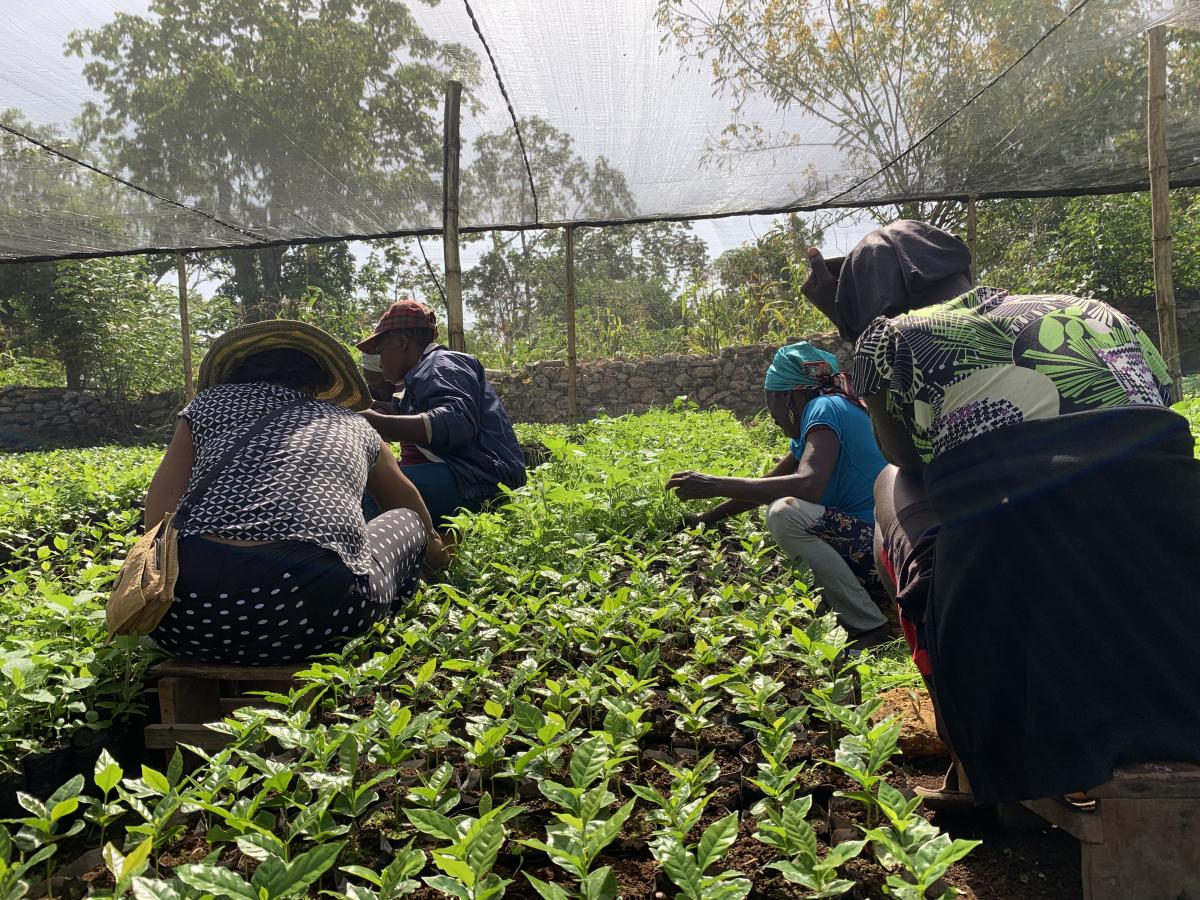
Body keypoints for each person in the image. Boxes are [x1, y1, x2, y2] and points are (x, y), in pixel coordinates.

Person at [801, 219, 1200, 804]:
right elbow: (1159, 411)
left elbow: (906, 452)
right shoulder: (1101, 312)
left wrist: (858, 332)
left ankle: (963, 738)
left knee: (894, 483)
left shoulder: (891, 338)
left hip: (1016, 580)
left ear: (872, 306)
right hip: (1172, 562)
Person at [143, 320, 450, 666]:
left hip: (182, 623)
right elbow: (405, 504)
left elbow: (157, 517)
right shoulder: (354, 424)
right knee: (406, 522)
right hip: (319, 619)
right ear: (318, 384)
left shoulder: (205, 406)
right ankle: (383, 629)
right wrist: (439, 557)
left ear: (238, 373)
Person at [667, 342, 892, 650]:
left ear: (790, 395)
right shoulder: (832, 408)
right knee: (783, 503)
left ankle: (870, 624)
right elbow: (769, 483)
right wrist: (706, 519)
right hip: (885, 551)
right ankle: (868, 604)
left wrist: (716, 483)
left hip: (882, 552)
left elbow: (807, 485)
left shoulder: (823, 409)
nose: (771, 413)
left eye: (770, 399)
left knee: (784, 513)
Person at [357, 300, 526, 525]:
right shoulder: (427, 371)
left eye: (381, 351)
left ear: (401, 341)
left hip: (482, 480)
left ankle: (387, 558)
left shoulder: (441, 364)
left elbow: (456, 421)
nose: (380, 364)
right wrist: (384, 412)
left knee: (379, 488)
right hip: (473, 475)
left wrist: (379, 422)